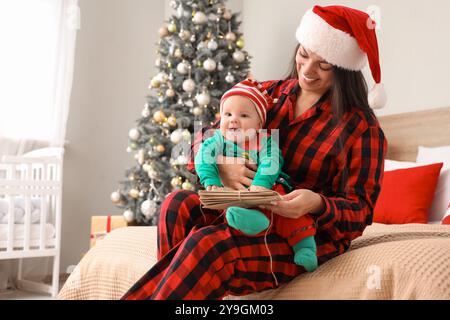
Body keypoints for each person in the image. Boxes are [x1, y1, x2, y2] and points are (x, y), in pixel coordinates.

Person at [122, 5, 388, 300]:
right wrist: (222, 165)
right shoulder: (266, 95)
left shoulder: (362, 128)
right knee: (176, 204)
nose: (308, 70)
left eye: (323, 65)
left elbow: (360, 211)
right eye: (303, 54)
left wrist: (315, 204)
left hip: (303, 233)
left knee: (209, 244)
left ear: (343, 69)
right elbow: (198, 141)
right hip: (242, 204)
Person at [194, 78, 318, 271]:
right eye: (227, 114)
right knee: (227, 204)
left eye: (243, 115)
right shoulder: (218, 139)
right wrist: (211, 180)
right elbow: (203, 157)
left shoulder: (264, 141)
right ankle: (251, 221)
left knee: (288, 212)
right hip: (233, 191)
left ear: (259, 123)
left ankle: (305, 248)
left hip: (266, 188)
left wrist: (261, 183)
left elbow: (272, 161)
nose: (233, 120)